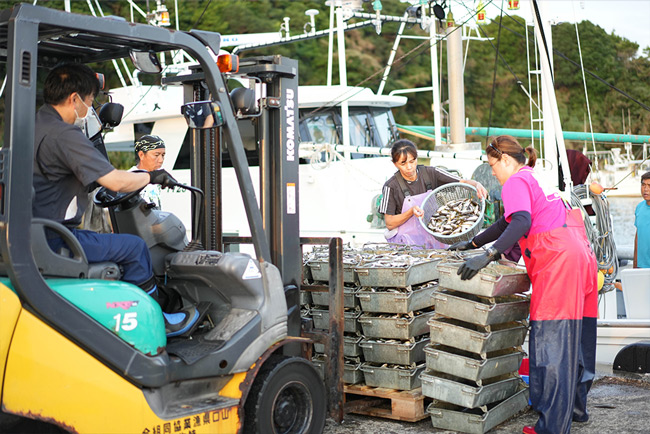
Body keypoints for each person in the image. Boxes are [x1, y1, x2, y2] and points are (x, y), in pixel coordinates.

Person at [33, 63, 198, 337]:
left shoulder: (36, 124)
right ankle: (156, 320)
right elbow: (116, 182)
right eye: (88, 101)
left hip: (34, 231)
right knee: (134, 248)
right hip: (56, 238)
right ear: (74, 99)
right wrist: (152, 176)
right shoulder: (64, 134)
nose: (89, 109)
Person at [450, 135, 598, 434]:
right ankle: (576, 410)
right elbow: (507, 222)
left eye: (492, 165)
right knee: (580, 338)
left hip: (558, 262)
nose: (492, 172)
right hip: (581, 255)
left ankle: (552, 427)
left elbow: (521, 221)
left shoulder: (515, 182)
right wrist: (474, 241)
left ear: (505, 159)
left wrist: (488, 255)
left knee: (552, 346)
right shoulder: (534, 175)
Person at [379, 139, 487, 249]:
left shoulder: (431, 173)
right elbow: (390, 223)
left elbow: (462, 182)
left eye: (412, 161)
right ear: (395, 163)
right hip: (406, 245)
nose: (409, 167)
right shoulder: (391, 186)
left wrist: (476, 184)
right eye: (403, 163)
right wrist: (411, 212)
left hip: (435, 239)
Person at [129, 134, 166, 209]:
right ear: (141, 155)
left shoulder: (155, 176)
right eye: (156, 155)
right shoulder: (130, 177)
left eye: (163, 155)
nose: (161, 160)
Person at [634, 171, 650, 268]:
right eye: (643, 185)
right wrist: (635, 265)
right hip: (641, 267)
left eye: (649, 185)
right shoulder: (639, 208)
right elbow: (637, 237)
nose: (646, 189)